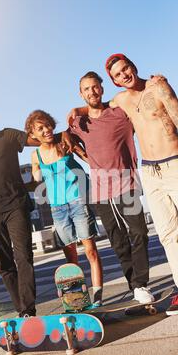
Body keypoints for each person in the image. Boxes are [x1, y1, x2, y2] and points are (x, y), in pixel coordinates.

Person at [103, 53, 178, 315]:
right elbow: (97, 109)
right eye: (117, 74)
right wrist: (76, 111)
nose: (123, 74)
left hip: (176, 167)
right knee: (167, 235)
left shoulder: (158, 86)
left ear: (133, 66)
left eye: (125, 68)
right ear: (114, 81)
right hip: (150, 173)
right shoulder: (120, 100)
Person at [0, 107, 73, 317]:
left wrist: (61, 135)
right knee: (5, 265)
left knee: (24, 257)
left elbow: (40, 141)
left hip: (16, 206)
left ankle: (28, 309)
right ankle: (21, 308)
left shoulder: (7, 136)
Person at [67, 71, 155, 304]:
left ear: (102, 89)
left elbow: (138, 99)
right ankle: (135, 285)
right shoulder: (78, 123)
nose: (92, 92)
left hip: (127, 183)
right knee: (118, 241)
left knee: (139, 233)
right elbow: (65, 138)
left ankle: (141, 283)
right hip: (101, 191)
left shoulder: (120, 113)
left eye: (95, 87)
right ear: (81, 93)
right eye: (86, 89)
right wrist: (80, 152)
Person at [25, 109, 103, 306]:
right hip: (57, 208)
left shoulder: (65, 142)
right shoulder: (36, 155)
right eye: (40, 128)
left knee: (90, 251)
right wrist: (35, 175)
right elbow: (36, 178)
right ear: (33, 134)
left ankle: (98, 297)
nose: (46, 130)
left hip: (77, 201)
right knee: (71, 259)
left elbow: (87, 158)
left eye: (48, 125)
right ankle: (77, 299)